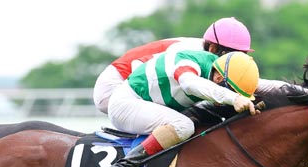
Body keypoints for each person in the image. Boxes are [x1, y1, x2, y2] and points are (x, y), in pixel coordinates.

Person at [104, 49, 308, 167]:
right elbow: (190, 85)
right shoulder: (189, 63)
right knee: (184, 125)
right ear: (218, 76)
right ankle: (123, 166)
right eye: (227, 88)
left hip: (148, 105)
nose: (227, 95)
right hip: (126, 104)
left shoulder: (226, 69)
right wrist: (233, 98)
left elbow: (269, 85)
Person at [93, 17, 255, 114]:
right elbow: (140, 70)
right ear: (213, 48)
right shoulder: (188, 52)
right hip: (113, 86)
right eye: (232, 55)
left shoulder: (204, 56)